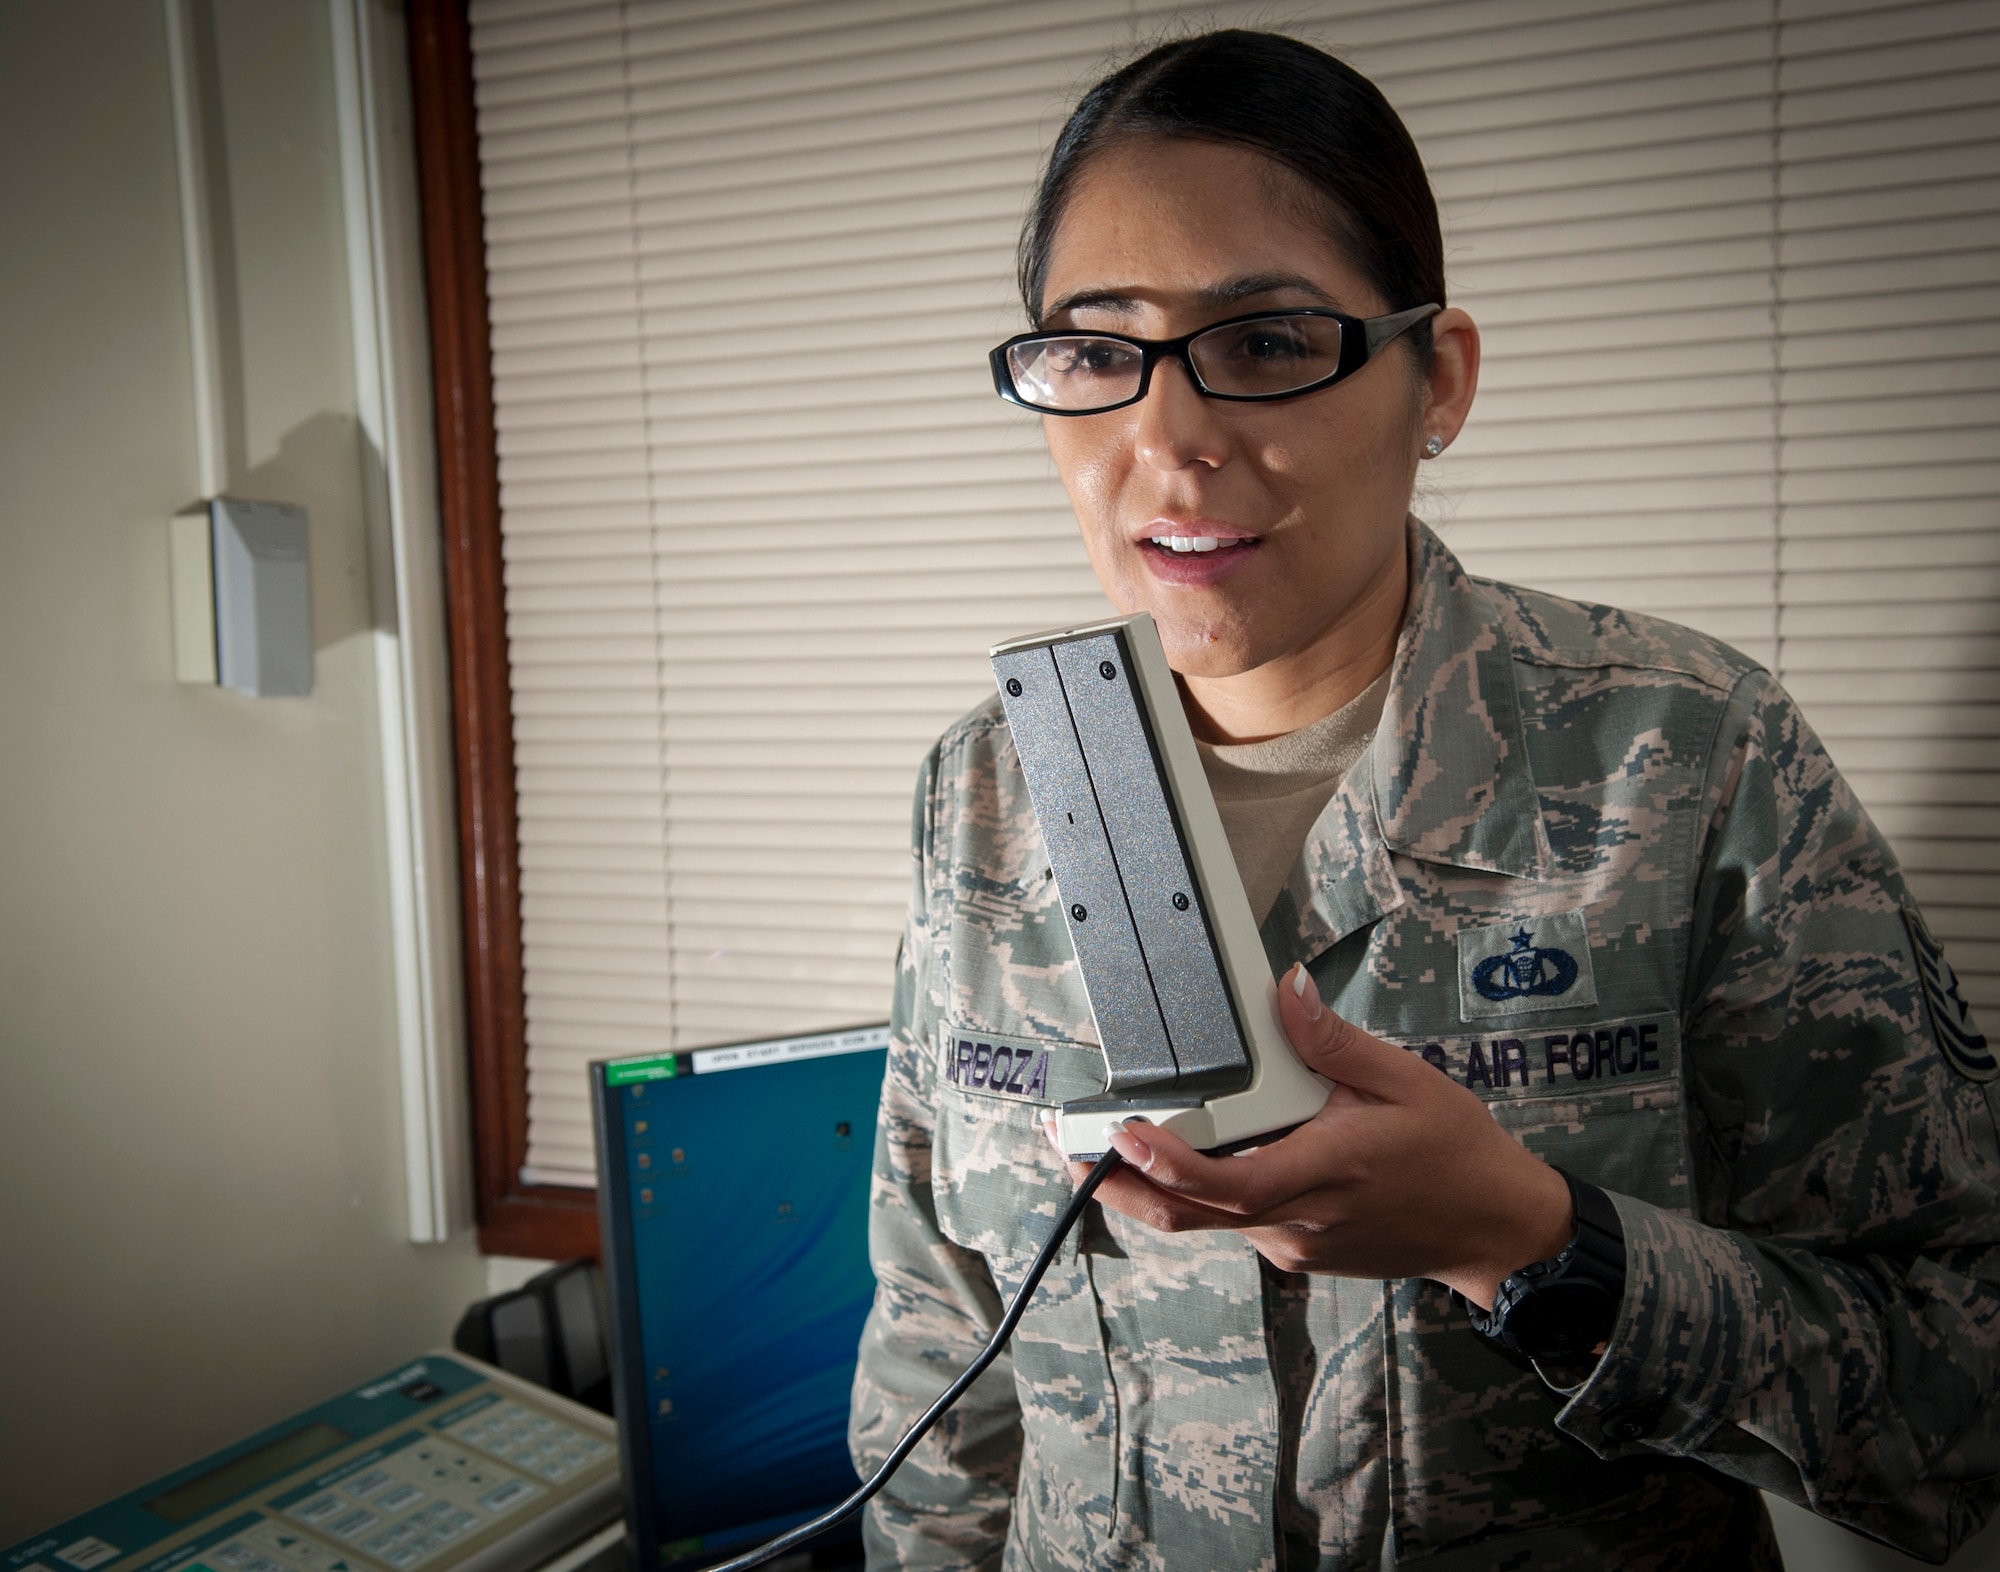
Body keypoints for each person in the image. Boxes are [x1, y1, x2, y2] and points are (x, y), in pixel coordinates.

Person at [847, 29, 2000, 1571]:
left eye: (1264, 342)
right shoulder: (986, 791)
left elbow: (1961, 1394)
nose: (1167, 441)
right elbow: (937, 1376)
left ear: (1434, 379)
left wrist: (1521, 1242)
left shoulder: (1685, 756)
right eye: (1096, 350)